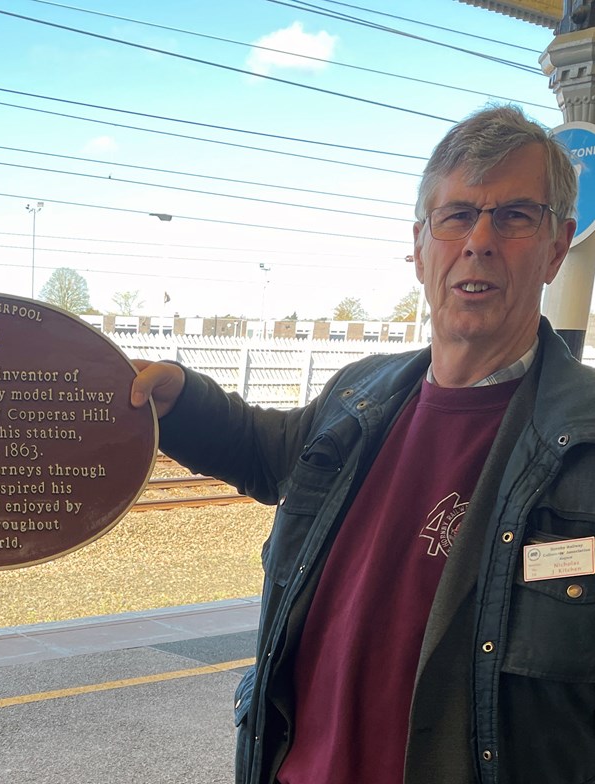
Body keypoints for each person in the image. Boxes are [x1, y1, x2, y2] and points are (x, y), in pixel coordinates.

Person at [131, 104, 594, 784]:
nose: (480, 240)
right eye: (457, 214)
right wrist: (180, 403)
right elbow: (269, 451)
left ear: (557, 247)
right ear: (418, 245)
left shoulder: (582, 441)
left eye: (515, 217)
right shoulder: (360, 394)